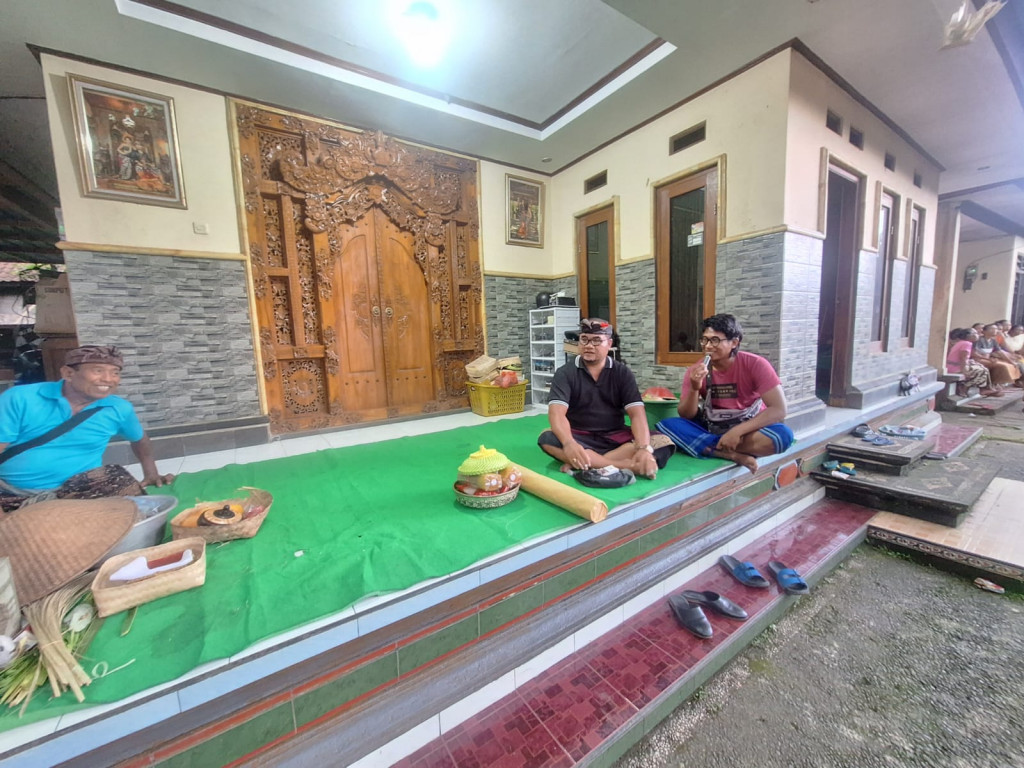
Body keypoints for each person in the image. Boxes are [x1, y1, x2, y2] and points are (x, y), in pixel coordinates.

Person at [0, 345, 174, 512]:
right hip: (16, 492)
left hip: (86, 487)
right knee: (26, 531)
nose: (108, 379)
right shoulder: (20, 398)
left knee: (138, 515)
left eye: (115, 372)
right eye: (98, 370)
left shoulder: (119, 408)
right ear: (68, 373)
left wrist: (151, 473)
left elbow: (140, 440)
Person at [658, 314, 793, 473]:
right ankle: (729, 453)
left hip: (748, 429)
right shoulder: (696, 370)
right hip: (713, 428)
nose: (708, 346)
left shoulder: (755, 364)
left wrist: (737, 431)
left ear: (734, 342)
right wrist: (694, 388)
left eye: (715, 340)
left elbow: (779, 409)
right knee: (667, 425)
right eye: (705, 340)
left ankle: (708, 447)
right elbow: (686, 415)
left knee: (782, 436)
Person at [538, 318, 666, 479]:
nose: (589, 345)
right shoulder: (564, 373)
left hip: (615, 436)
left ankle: (587, 462)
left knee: (662, 441)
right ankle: (628, 466)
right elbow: (557, 413)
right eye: (584, 339)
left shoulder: (622, 373)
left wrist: (643, 448)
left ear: (609, 343)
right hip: (579, 436)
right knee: (548, 438)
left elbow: (637, 414)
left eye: (597, 340)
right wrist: (569, 444)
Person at [946, 328, 1000, 397]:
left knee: (981, 367)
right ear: (968, 336)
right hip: (955, 367)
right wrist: (964, 370)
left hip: (955, 365)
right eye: (975, 333)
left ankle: (987, 388)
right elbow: (963, 358)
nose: (978, 335)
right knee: (981, 371)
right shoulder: (966, 344)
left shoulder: (963, 342)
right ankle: (964, 387)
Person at [973, 324, 1021, 388]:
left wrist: (1011, 362)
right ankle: (991, 384)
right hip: (977, 359)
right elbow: (974, 353)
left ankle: (1001, 383)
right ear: (984, 331)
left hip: (988, 359)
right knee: (1001, 366)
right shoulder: (979, 340)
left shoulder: (993, 340)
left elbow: (1000, 352)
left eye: (996, 329)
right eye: (992, 329)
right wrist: (988, 359)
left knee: (1009, 364)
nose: (995, 331)